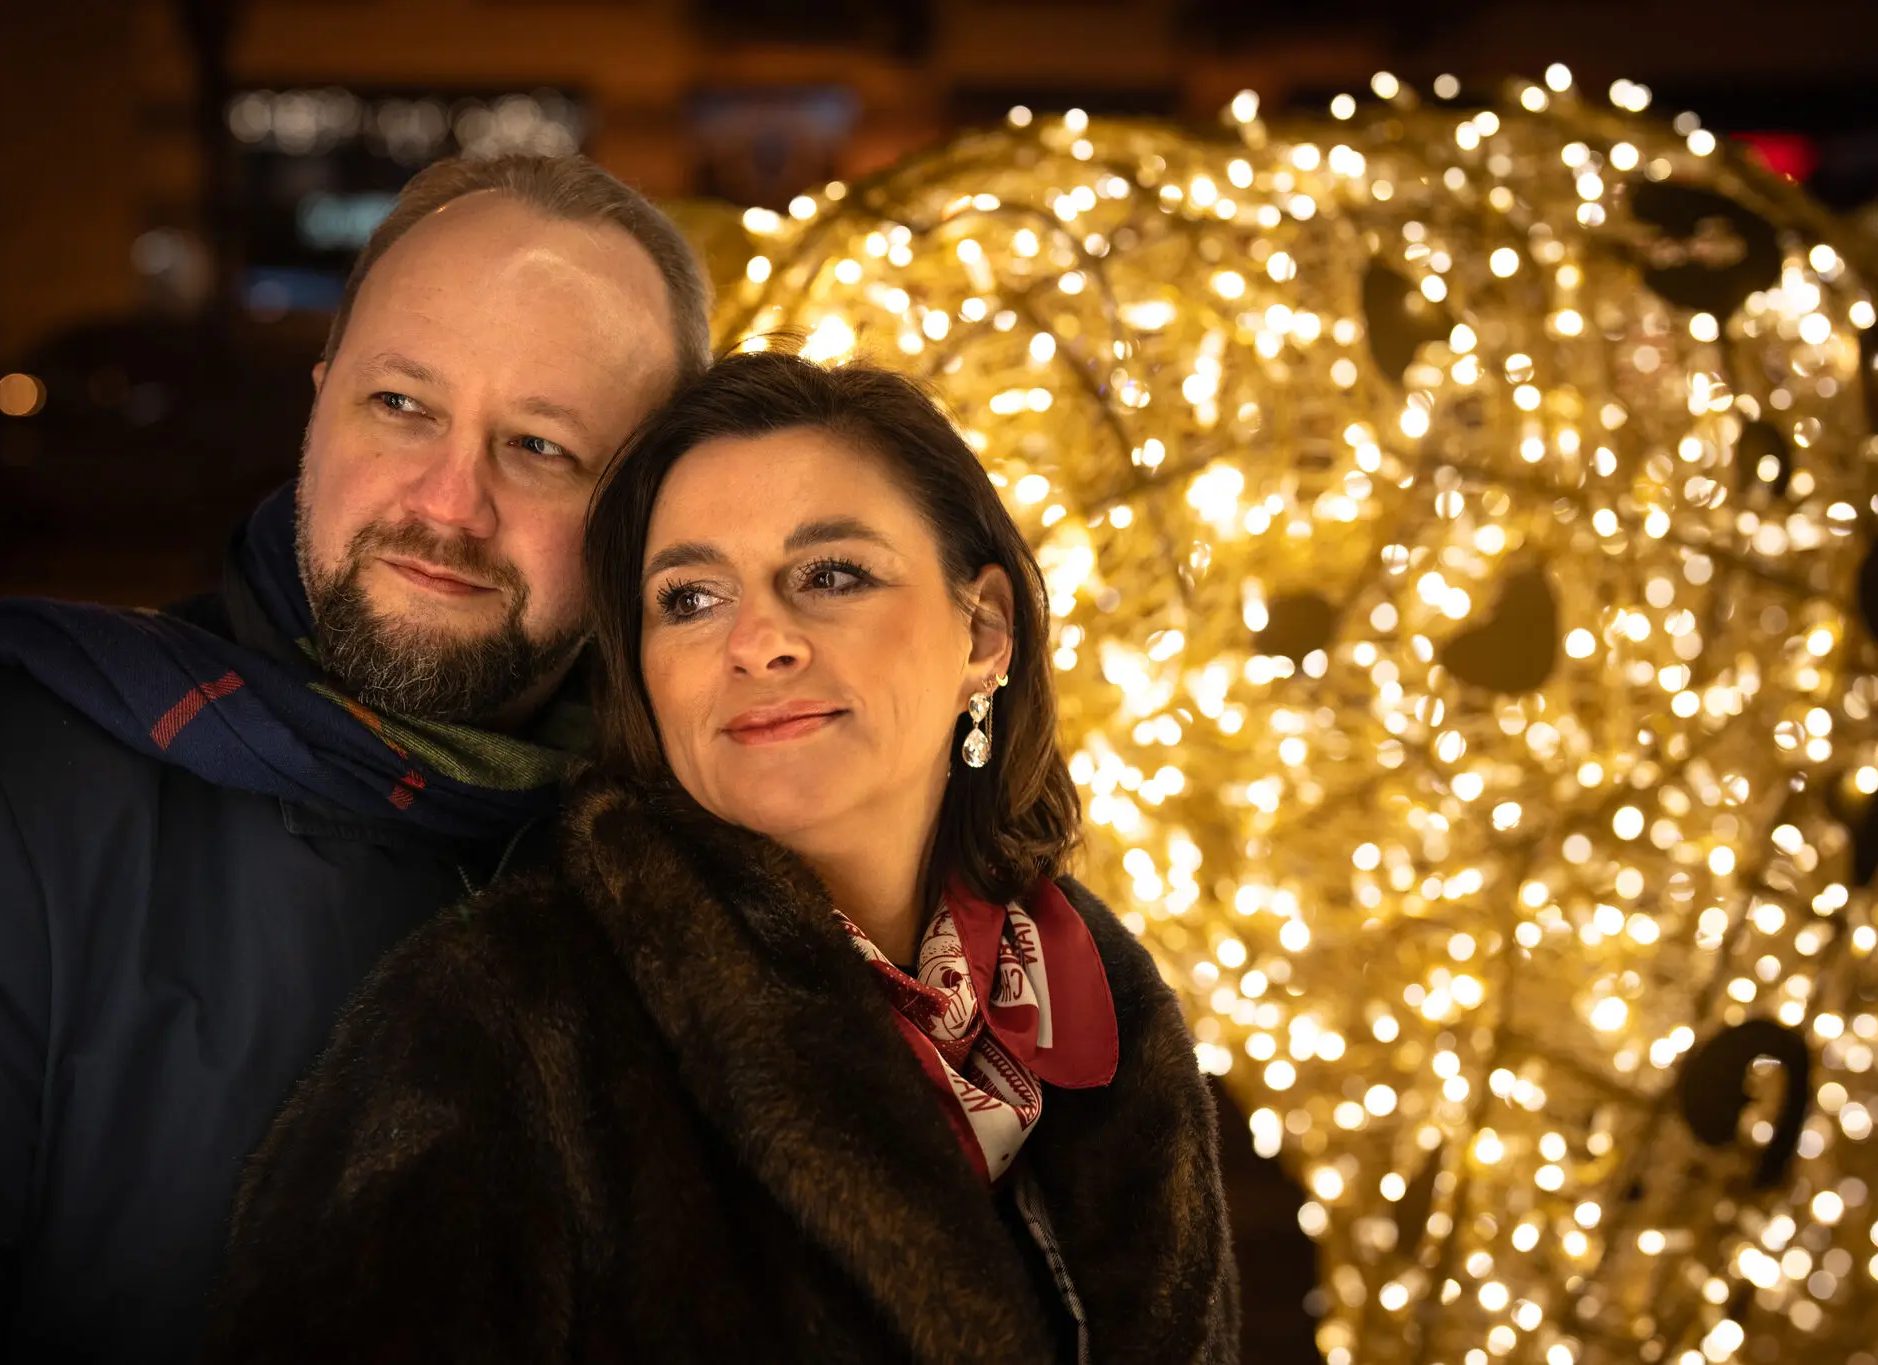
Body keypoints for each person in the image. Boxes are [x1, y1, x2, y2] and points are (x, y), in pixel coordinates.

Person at [0, 154, 708, 1362]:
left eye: (541, 446)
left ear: (650, 513)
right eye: (400, 405)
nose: (446, 504)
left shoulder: (707, 857)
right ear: (317, 403)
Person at [204, 352, 1240, 1364]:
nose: (756, 642)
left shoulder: (1107, 1013)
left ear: (983, 631)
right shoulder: (505, 1021)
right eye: (690, 598)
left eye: (831, 575)